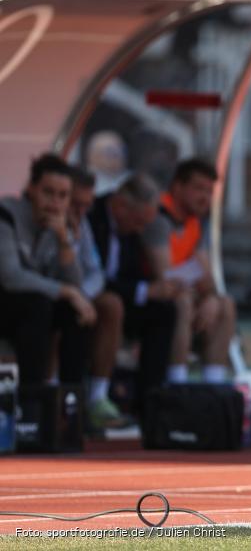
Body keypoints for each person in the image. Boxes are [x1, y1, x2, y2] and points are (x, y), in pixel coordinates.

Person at [87, 174, 179, 419]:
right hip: (90, 296)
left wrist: (153, 290)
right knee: (112, 305)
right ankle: (97, 396)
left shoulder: (131, 231)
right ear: (120, 205)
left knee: (164, 309)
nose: (140, 230)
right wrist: (143, 290)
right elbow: (94, 274)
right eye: (138, 221)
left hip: (122, 297)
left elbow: (129, 273)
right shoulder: (91, 216)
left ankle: (151, 400)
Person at [0, 154, 95, 385]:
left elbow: (77, 286)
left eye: (63, 196)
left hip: (32, 307)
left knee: (77, 313)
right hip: (6, 301)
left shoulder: (61, 225)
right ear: (31, 189)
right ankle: (32, 401)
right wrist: (67, 292)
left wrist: (64, 242)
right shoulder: (6, 215)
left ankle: (70, 401)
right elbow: (11, 277)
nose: (54, 203)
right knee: (38, 305)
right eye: (48, 192)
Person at [144, 159, 234, 385]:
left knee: (224, 305)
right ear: (177, 187)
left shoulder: (195, 223)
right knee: (182, 302)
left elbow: (205, 274)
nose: (205, 197)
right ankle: (177, 384)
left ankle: (213, 385)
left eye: (209, 191)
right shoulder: (157, 218)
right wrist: (198, 292)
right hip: (148, 297)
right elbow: (164, 275)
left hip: (183, 291)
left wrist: (210, 297)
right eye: (198, 188)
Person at [67, 168, 132, 430]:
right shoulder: (45, 221)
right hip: (48, 296)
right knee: (47, 311)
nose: (82, 210)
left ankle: (97, 397)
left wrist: (82, 295)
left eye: (86, 205)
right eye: (75, 203)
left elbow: (95, 271)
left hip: (77, 294)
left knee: (110, 305)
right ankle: (54, 398)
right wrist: (64, 241)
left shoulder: (82, 223)